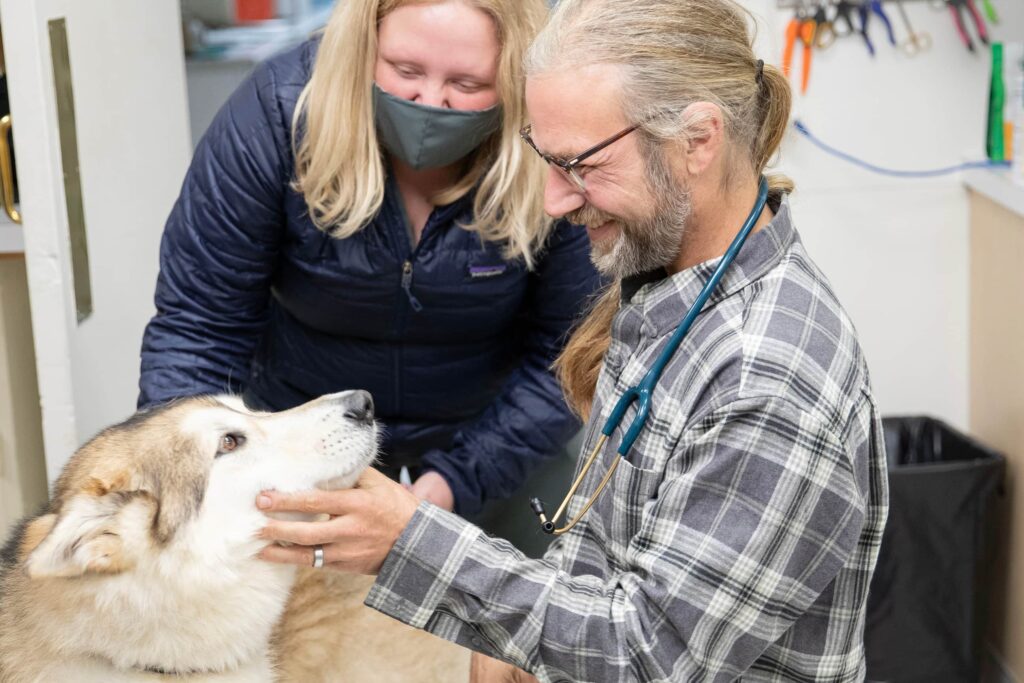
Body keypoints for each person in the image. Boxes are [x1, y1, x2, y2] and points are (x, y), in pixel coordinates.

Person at [255, 0, 890, 680]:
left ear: (698, 140)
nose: (555, 201)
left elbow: (649, 656)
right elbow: (615, 541)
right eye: (543, 158)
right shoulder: (669, 280)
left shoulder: (767, 383)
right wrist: (512, 647)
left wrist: (410, 543)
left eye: (580, 164)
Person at [138, 0, 601, 538]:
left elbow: (570, 351)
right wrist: (182, 487)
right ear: (364, 47)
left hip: (495, 442)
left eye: (468, 83)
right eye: (405, 71)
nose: (430, 101)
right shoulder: (275, 115)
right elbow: (198, 329)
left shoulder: (553, 142)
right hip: (302, 439)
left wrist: (454, 482)